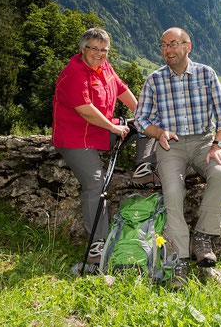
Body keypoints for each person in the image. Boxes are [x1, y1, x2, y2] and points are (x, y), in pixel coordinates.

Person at [134, 27, 221, 285]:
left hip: (202, 142)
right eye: (164, 45)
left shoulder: (205, 73)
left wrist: (217, 145)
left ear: (188, 46)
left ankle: (203, 236)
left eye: (174, 44)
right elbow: (140, 119)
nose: (168, 49)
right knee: (173, 194)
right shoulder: (154, 80)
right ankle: (179, 261)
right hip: (170, 146)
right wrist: (159, 133)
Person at [52, 27, 155, 264]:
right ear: (82, 49)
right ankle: (96, 246)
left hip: (102, 131)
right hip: (75, 138)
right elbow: (86, 111)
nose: (99, 54)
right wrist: (113, 127)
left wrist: (141, 114)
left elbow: (121, 89)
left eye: (104, 50)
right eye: (94, 49)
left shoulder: (104, 67)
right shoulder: (74, 73)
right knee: (96, 183)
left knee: (145, 125)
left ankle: (143, 169)